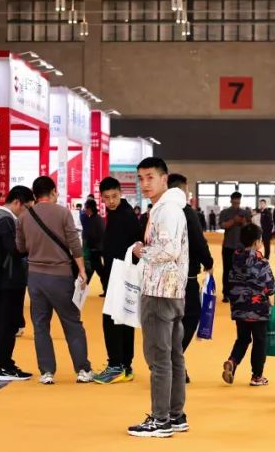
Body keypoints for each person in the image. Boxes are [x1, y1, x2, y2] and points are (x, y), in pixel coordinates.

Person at [128, 158, 190, 439]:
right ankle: (175, 415)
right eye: (141, 178)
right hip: (173, 291)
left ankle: (160, 419)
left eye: (150, 177)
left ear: (164, 179)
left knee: (158, 357)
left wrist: (141, 251)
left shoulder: (166, 210)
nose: (144, 183)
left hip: (159, 290)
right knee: (173, 356)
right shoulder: (171, 208)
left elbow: (168, 250)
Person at [17, 176, 94, 385]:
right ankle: (82, 369)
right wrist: (81, 269)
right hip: (60, 276)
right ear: (52, 191)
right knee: (72, 322)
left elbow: (20, 247)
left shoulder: (24, 217)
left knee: (40, 325)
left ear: (35, 194)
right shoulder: (63, 213)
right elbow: (74, 243)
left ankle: (47, 372)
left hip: (35, 277)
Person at [0, 186, 36, 381]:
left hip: (1, 277)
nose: (27, 213)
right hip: (10, 278)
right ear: (17, 202)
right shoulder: (6, 221)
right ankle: (3, 365)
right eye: (27, 208)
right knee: (7, 322)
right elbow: (13, 250)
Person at [95, 177, 142, 385]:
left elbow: (136, 244)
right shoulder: (116, 214)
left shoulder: (126, 216)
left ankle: (116, 365)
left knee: (113, 319)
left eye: (114, 196)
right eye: (107, 198)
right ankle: (125, 366)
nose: (111, 201)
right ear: (102, 198)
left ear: (121, 193)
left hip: (121, 275)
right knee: (123, 319)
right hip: (118, 274)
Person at [167, 174, 214, 374]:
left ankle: (171, 362)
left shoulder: (161, 210)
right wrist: (208, 262)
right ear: (181, 190)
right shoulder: (186, 212)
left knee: (170, 320)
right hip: (185, 275)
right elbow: (198, 241)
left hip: (163, 275)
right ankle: (173, 361)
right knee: (191, 316)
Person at [222, 223, 275, 388]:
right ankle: (257, 376)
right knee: (260, 340)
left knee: (243, 339)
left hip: (239, 307)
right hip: (258, 310)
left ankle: (232, 361)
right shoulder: (262, 262)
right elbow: (270, 288)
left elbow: (229, 282)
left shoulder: (234, 260)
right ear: (257, 242)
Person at [219, 192, 251, 302]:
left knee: (241, 271)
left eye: (238, 202)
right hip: (228, 246)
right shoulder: (225, 212)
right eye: (235, 202)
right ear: (231, 201)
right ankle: (226, 294)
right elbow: (222, 225)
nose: (236, 204)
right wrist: (233, 221)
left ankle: (239, 293)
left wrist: (243, 222)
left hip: (241, 247)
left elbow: (249, 228)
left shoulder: (245, 213)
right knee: (227, 270)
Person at [81, 199, 105, 285]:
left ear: (89, 208)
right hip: (96, 248)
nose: (84, 210)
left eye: (85, 208)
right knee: (97, 269)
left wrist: (87, 244)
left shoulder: (94, 219)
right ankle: (106, 286)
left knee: (95, 269)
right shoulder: (96, 218)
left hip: (95, 249)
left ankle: (106, 286)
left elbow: (92, 235)